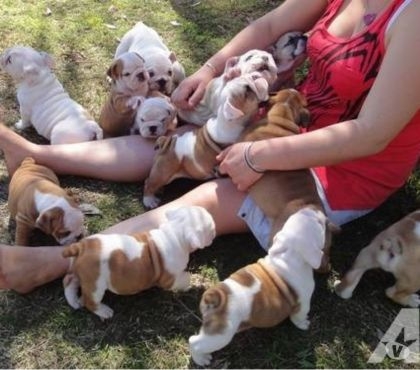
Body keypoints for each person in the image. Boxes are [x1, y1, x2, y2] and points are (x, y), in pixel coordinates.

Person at [1, 0, 419, 294]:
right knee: (178, 140)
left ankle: (48, 265)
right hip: (287, 123)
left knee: (215, 194)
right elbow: (271, 26)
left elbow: (371, 133)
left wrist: (258, 155)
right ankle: (37, 155)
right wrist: (208, 70)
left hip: (345, 166)